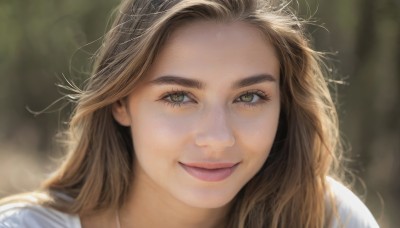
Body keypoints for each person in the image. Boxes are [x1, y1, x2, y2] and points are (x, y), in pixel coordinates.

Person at [0, 0, 379, 227]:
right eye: (179, 97)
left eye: (249, 97)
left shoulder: (327, 218)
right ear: (120, 102)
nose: (217, 138)